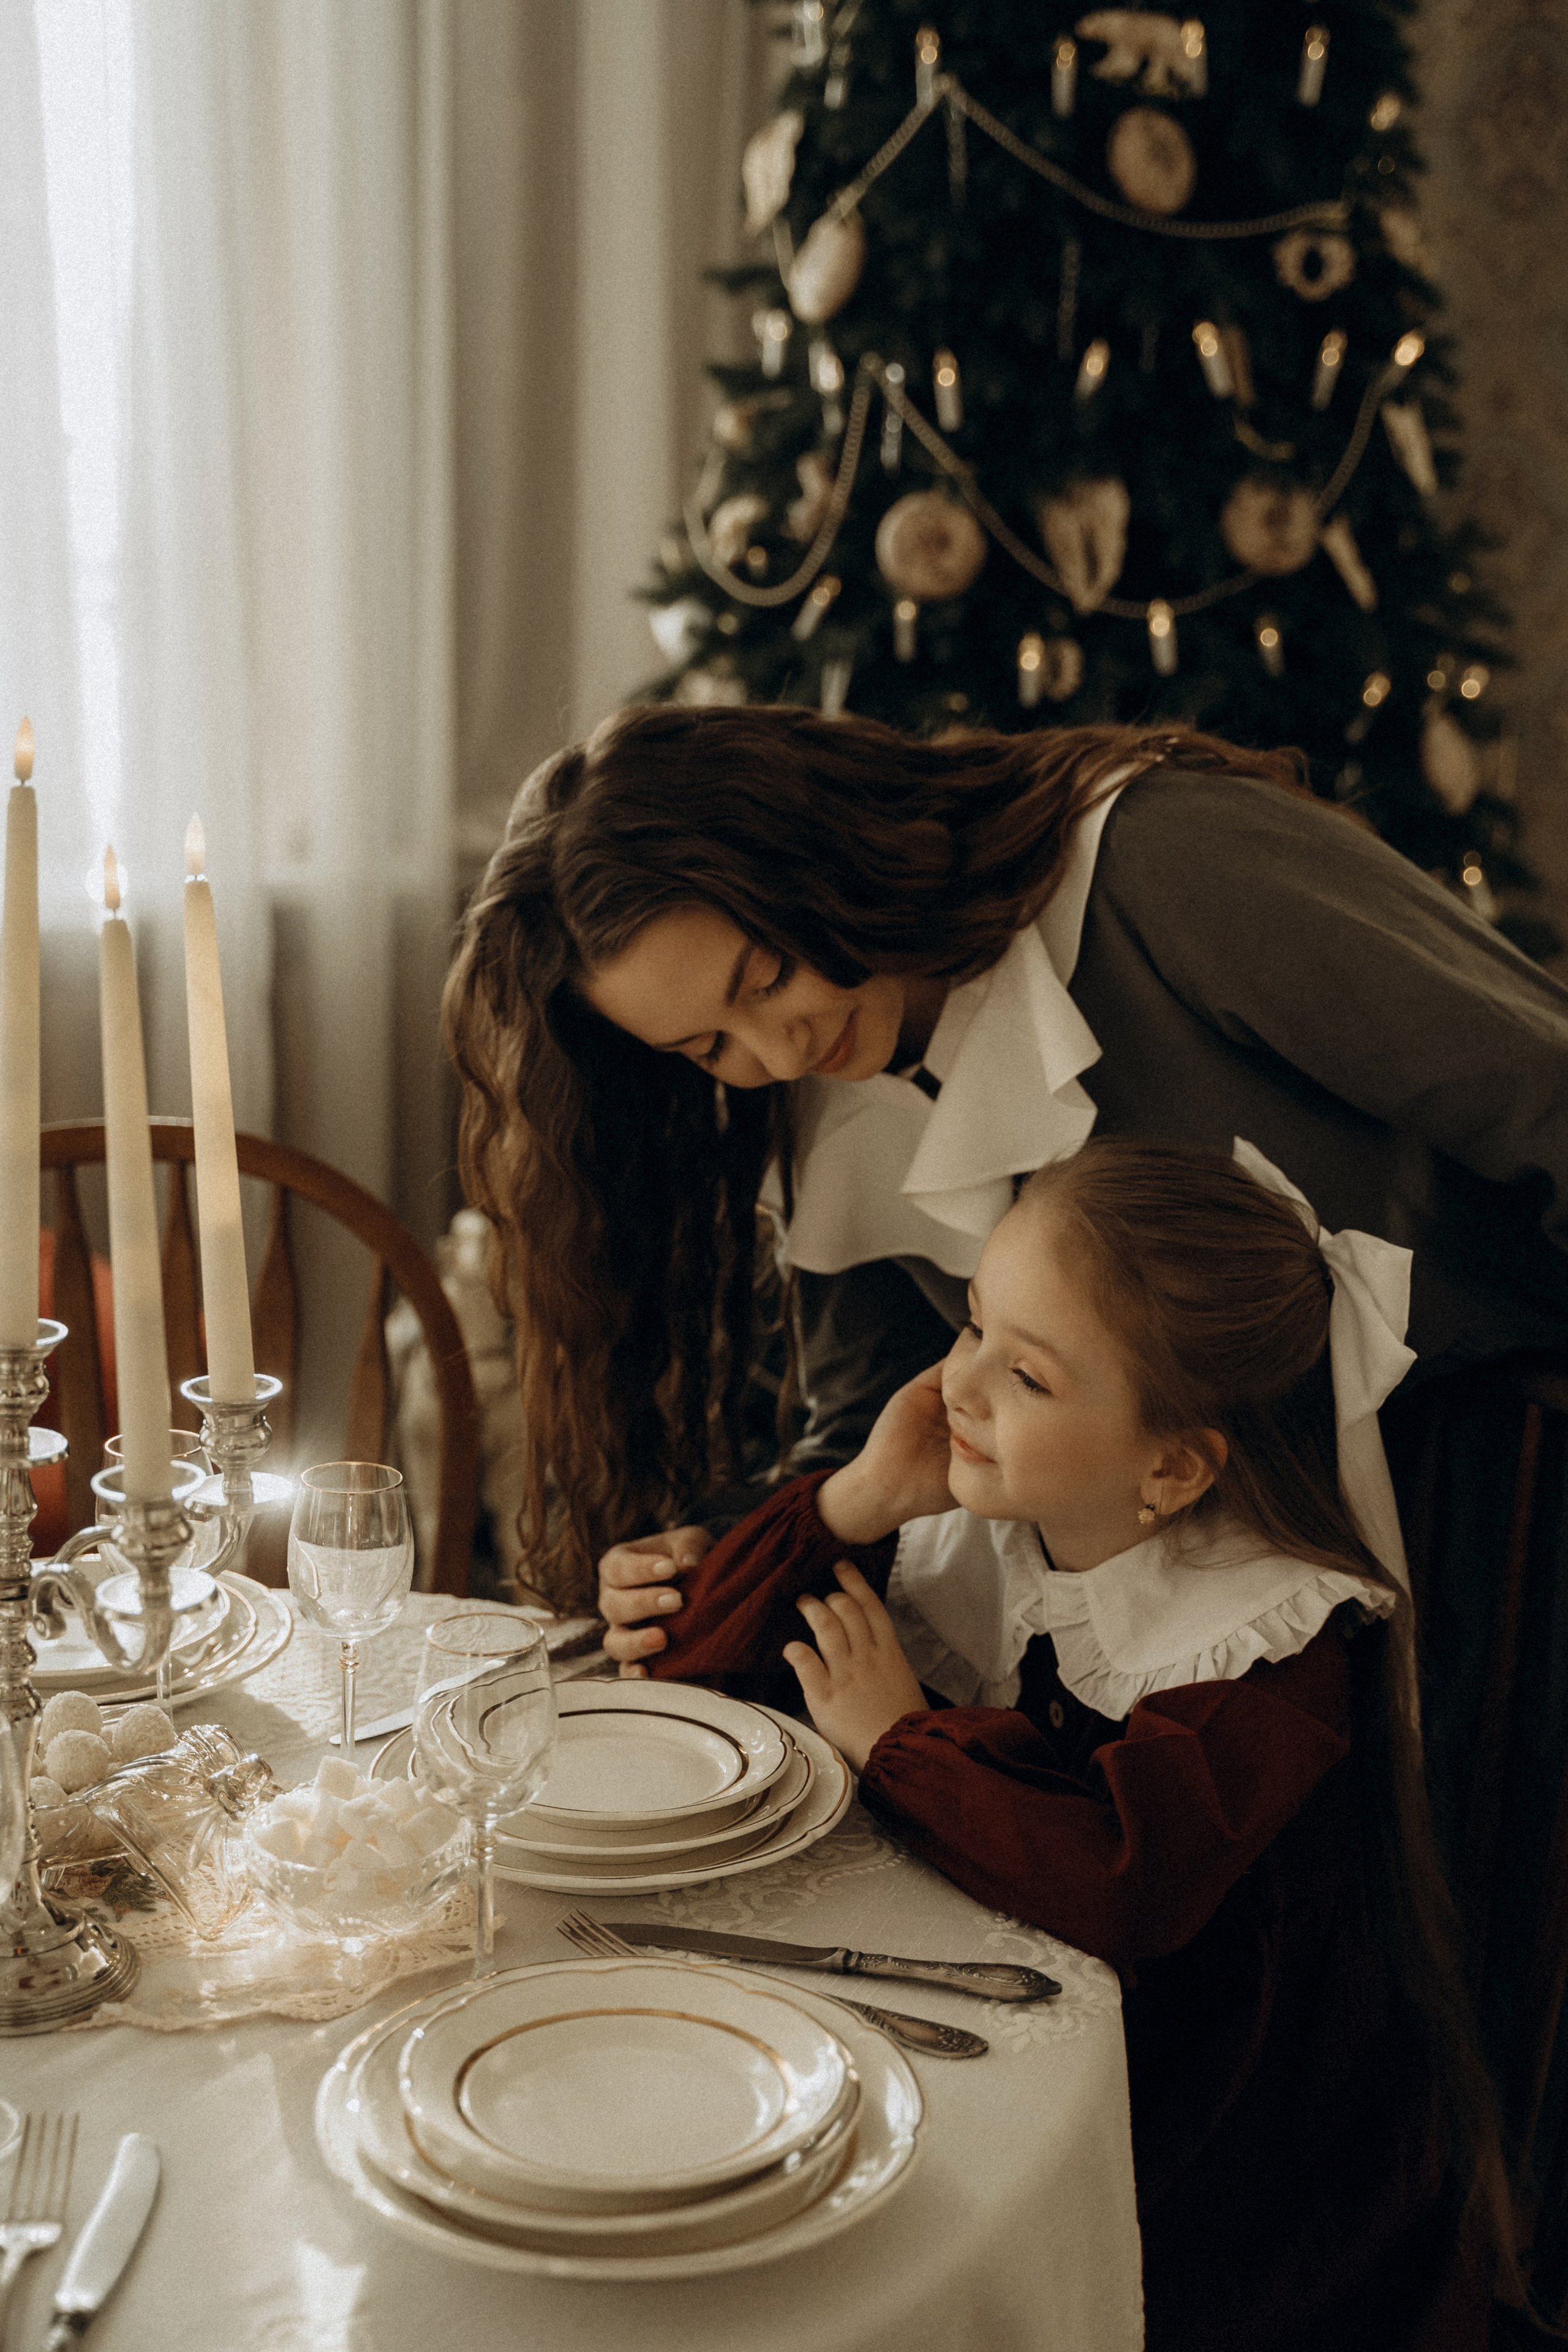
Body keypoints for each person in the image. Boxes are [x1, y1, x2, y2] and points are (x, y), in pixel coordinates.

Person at [442, 703, 1568, 1919]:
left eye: (764, 976)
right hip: (1202, 1620)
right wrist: (713, 1555)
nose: (777, 1050)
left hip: (1499, 1482)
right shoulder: (823, 1105)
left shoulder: (1158, 866)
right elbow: (884, 1429)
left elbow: (1539, 1095)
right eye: (709, 1046)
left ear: (815, 850)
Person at [628, 1138, 1510, 2352]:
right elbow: (686, 1689)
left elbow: (1118, 1883)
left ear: (1167, 1471)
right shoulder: (981, 1525)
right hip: (975, 2024)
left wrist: (900, 1738)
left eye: (1027, 1375)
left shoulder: (1265, 1648)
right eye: (974, 1322)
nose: (960, 1388)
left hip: (1208, 2175)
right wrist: (858, 1499)